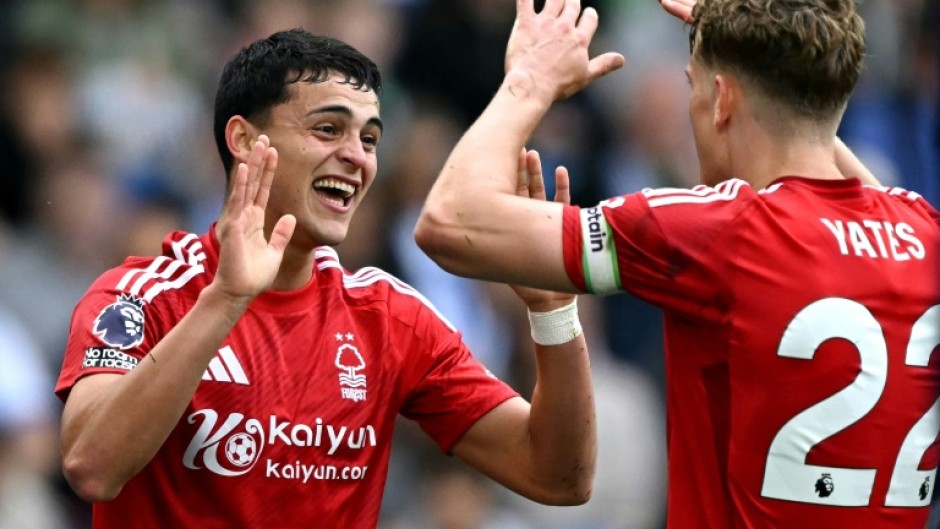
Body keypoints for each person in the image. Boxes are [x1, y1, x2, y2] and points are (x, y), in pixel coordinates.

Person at [414, 0, 940, 527]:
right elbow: (832, 161)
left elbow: (448, 221)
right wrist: (780, 66)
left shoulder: (720, 229)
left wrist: (529, 81)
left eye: (694, 85)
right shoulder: (923, 233)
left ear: (720, 100)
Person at [55, 28, 595, 528]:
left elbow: (557, 475)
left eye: (370, 139)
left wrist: (553, 311)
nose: (356, 157)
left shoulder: (389, 318)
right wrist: (227, 298)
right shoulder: (141, 297)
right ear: (243, 140)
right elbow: (92, 468)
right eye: (328, 130)